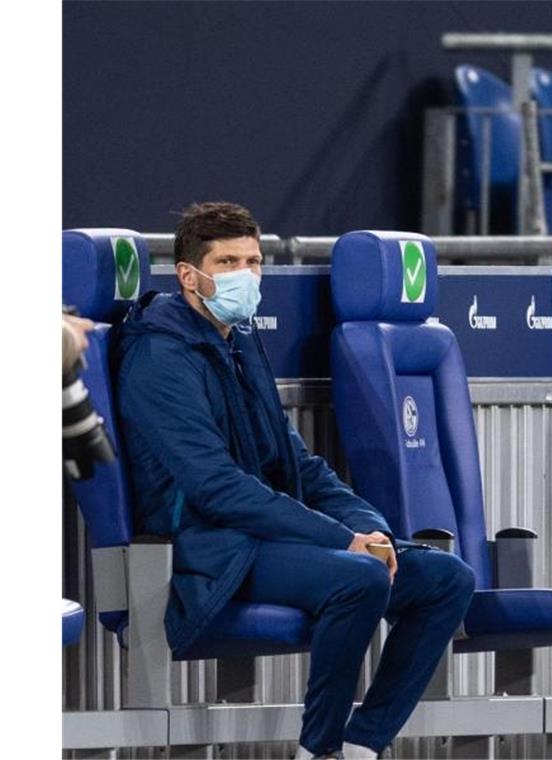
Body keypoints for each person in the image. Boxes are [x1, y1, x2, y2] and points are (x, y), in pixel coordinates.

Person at [114, 202, 475, 760]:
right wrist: (341, 543)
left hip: (265, 538)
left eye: (253, 261)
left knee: (446, 578)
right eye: (228, 261)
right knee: (358, 579)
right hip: (205, 547)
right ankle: (319, 749)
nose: (246, 275)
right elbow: (215, 487)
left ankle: (363, 744)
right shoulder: (158, 354)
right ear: (189, 275)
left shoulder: (239, 337)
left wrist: (368, 529)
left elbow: (300, 463)